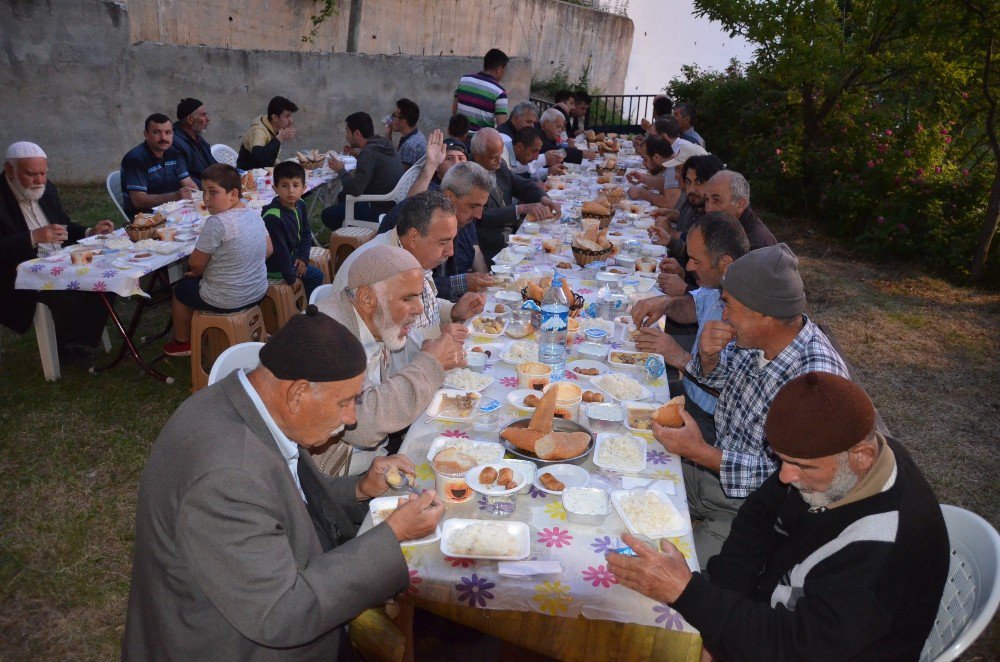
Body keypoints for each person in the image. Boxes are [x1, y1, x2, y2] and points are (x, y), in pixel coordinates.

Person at [123, 305, 444, 659]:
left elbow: (287, 502)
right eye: (346, 402)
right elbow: (282, 613)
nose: (351, 418)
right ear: (297, 394)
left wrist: (360, 489)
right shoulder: (227, 476)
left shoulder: (247, 404)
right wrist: (393, 535)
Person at [608, 372, 949, 662]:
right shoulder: (838, 457)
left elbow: (795, 648)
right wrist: (716, 623)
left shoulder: (885, 552)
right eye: (781, 459)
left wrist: (691, 596)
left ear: (860, 456)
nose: (784, 477)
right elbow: (757, 517)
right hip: (770, 619)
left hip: (803, 649)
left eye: (800, 465)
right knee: (620, 604)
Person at [652, 243, 850, 564]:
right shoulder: (755, 337)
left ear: (763, 313)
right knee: (624, 469)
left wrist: (699, 452)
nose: (724, 314)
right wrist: (708, 357)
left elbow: (788, 480)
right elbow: (720, 380)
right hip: (711, 475)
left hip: (757, 517)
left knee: (678, 583)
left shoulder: (815, 383)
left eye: (729, 304)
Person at [314, 245, 467, 475]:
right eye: (408, 298)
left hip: (378, 455)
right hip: (338, 482)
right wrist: (430, 365)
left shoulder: (373, 320)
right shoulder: (329, 337)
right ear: (367, 298)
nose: (419, 308)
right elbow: (360, 424)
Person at [632, 212, 750, 443]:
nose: (688, 266)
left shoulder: (748, 312)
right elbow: (694, 304)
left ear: (725, 263)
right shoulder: (720, 285)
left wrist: (676, 354)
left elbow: (731, 391)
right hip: (687, 394)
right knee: (623, 391)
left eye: (696, 261)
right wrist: (665, 304)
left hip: (710, 422)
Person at [332, 190, 485, 350]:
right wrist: (435, 334)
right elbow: (376, 350)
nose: (451, 251)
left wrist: (452, 311)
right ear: (413, 237)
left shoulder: (413, 254)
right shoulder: (378, 272)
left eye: (452, 240)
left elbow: (422, 308)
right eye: (443, 242)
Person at [1, 141, 115, 351]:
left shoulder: (47, 188)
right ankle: (71, 344)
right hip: (20, 272)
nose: (39, 180)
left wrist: (90, 232)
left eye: (43, 173)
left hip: (59, 259)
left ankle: (81, 339)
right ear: (10, 170)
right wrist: (33, 237)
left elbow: (64, 226)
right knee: (66, 294)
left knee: (108, 276)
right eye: (31, 174)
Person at [163, 164, 272, 357]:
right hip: (258, 290)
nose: (205, 198)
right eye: (204, 191)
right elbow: (269, 250)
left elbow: (195, 264)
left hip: (227, 298)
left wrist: (200, 273)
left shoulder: (217, 222)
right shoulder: (253, 213)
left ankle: (182, 342)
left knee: (180, 289)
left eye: (213, 192)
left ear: (233, 194)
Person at [470, 128, 560, 264]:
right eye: (493, 157)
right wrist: (521, 209)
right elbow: (481, 215)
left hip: (512, 235)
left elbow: (521, 184)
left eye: (500, 155)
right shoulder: (469, 175)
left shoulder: (500, 164)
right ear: (477, 156)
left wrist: (544, 198)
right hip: (490, 244)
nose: (499, 160)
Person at [322, 112, 404, 231]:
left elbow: (355, 190)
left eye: (347, 131)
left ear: (357, 133)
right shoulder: (382, 142)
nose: (346, 136)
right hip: (393, 202)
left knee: (327, 214)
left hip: (378, 208)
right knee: (342, 196)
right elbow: (374, 162)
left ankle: (351, 239)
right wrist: (358, 155)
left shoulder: (368, 153)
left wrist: (340, 169)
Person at [261, 161, 323, 298]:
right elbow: (279, 251)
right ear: (275, 188)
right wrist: (291, 278)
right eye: (284, 185)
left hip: (293, 256)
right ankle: (310, 308)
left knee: (309, 267)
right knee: (316, 275)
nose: (290, 191)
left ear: (304, 188)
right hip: (276, 266)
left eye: (295, 185)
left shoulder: (300, 204)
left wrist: (303, 258)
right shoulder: (273, 216)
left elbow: (306, 233)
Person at [120, 113, 198, 220]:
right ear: (146, 134)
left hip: (175, 212)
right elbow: (138, 200)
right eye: (156, 132)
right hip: (146, 219)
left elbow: (189, 184)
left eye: (168, 132)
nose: (163, 138)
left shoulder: (173, 153)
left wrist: (200, 198)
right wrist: (175, 197)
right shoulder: (135, 159)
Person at [704, 170, 776, 250]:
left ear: (741, 204)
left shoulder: (757, 245)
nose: (708, 208)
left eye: (716, 200)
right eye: (706, 199)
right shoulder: (725, 228)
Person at [453, 48, 510, 133]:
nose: (504, 73)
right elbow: (501, 127)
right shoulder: (500, 92)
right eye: (505, 70)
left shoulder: (464, 79)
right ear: (499, 69)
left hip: (458, 136)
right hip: (481, 142)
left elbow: (454, 110)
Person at [236, 95, 298, 170]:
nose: (290, 120)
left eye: (290, 116)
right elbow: (259, 159)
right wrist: (279, 139)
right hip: (248, 174)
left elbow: (271, 158)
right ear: (275, 117)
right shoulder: (259, 131)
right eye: (287, 116)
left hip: (264, 172)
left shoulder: (278, 128)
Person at [171, 98, 216, 187]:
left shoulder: (198, 139)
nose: (208, 120)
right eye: (203, 115)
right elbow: (186, 178)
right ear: (190, 120)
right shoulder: (175, 143)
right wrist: (214, 186)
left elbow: (214, 166)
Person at [386, 98, 426, 168]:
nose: (391, 118)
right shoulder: (417, 135)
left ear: (403, 122)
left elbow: (400, 175)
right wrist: (388, 135)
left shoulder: (409, 146)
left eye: (394, 116)